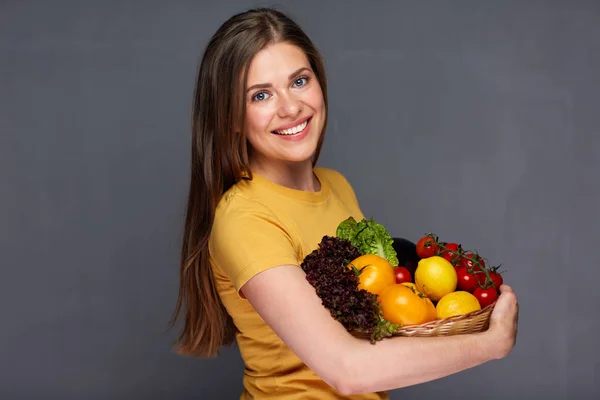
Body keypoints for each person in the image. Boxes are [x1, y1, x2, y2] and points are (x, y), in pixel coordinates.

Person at [170, 7, 519, 400]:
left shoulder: (336, 187)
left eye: (299, 81)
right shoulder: (246, 218)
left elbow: (380, 320)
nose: (290, 107)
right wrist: (491, 344)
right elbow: (347, 370)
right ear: (231, 117)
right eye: (261, 95)